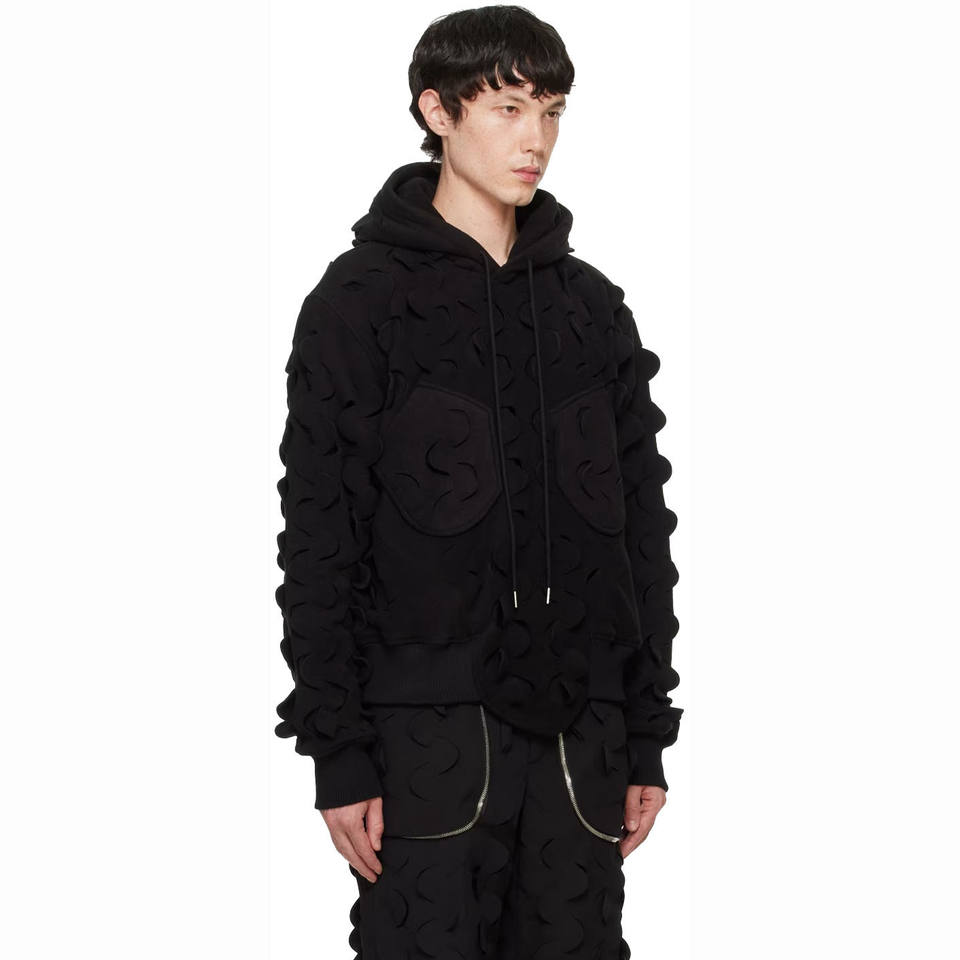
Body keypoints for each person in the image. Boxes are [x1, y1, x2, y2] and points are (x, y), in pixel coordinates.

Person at [274, 6, 683, 957]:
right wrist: (339, 750)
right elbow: (321, 531)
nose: (535, 138)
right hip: (424, 736)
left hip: (583, 736)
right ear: (438, 111)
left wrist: (646, 731)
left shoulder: (592, 308)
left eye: (552, 110)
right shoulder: (359, 302)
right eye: (507, 108)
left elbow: (641, 530)